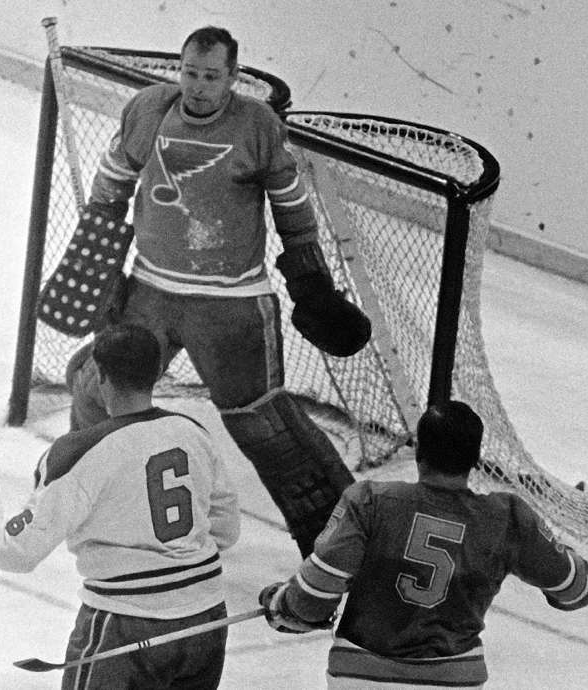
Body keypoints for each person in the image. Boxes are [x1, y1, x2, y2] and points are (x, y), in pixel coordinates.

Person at [58, 26, 371, 559]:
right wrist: (99, 260)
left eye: (211, 76)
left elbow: (293, 210)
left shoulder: (257, 126)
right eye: (190, 73)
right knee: (95, 385)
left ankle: (343, 541)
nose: (198, 86)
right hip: (151, 291)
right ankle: (89, 500)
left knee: (264, 425)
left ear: (232, 76)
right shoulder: (148, 111)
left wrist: (310, 281)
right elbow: (111, 189)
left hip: (231, 305)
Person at [0, 322, 242, 689]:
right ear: (157, 373)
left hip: (125, 623)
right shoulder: (192, 432)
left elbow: (20, 551)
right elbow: (225, 528)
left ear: (99, 376)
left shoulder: (80, 453)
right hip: (206, 619)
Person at [258, 401, 588, 688]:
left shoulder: (369, 501)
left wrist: (281, 603)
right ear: (475, 458)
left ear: (420, 450)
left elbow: (312, 601)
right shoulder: (507, 517)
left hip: (362, 677)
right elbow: (577, 592)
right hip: (453, 680)